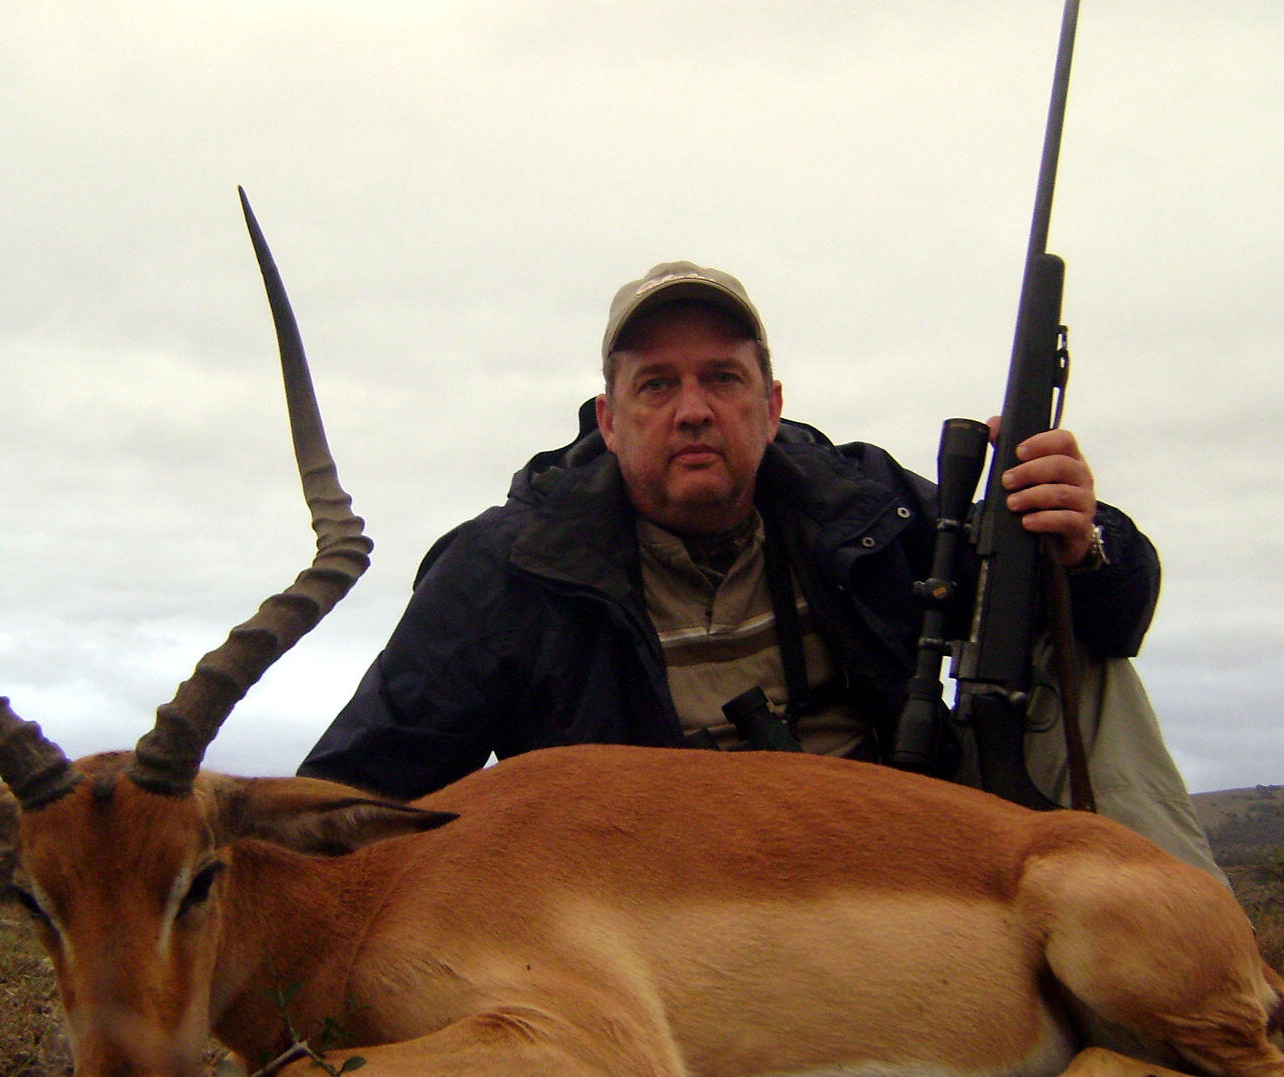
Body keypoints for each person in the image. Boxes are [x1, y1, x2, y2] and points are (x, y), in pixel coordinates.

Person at [302, 261, 1222, 878]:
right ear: (609, 419)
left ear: (772, 405)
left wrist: (1083, 545)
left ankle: (1194, 960)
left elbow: (1118, 612)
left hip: (903, 857)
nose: (693, 410)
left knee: (1072, 652)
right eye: (657, 385)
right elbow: (362, 787)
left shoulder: (866, 505)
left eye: (723, 379)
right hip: (663, 900)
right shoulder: (507, 565)